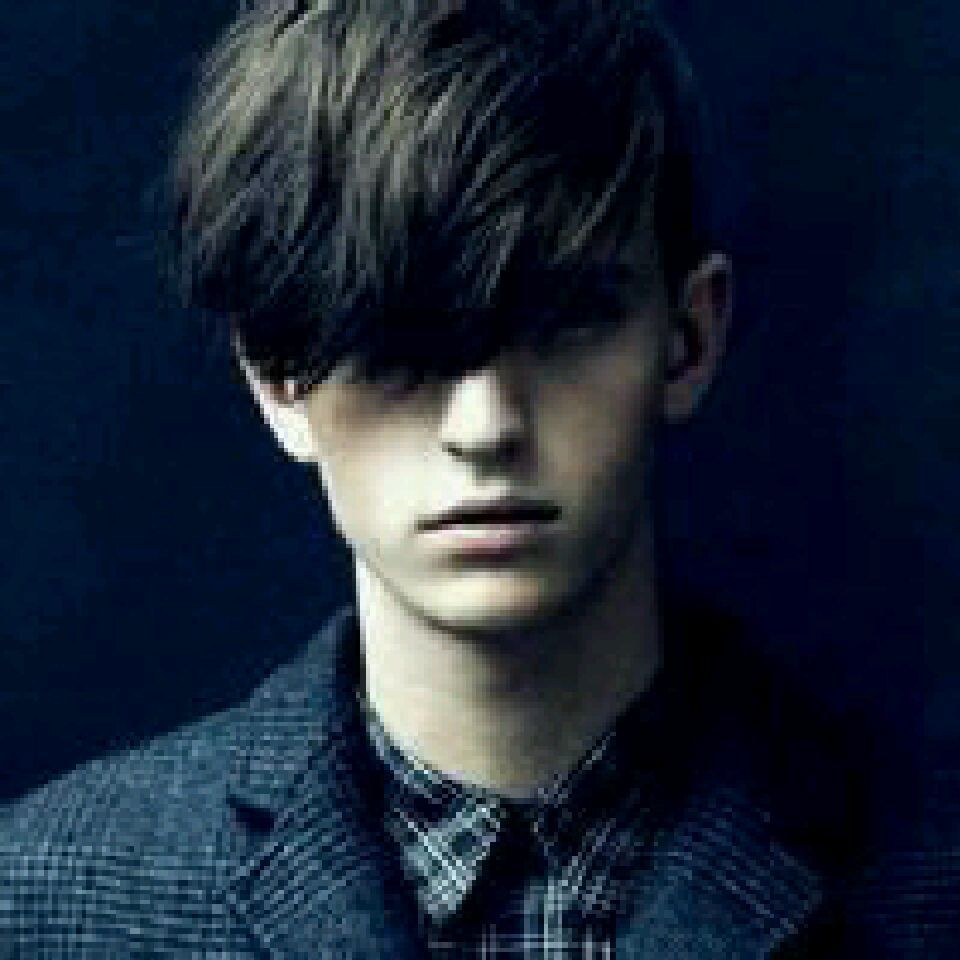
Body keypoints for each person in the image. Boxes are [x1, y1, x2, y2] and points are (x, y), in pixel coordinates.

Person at [1, 0, 955, 956]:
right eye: (399, 339)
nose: (485, 427)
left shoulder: (928, 880)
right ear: (279, 380)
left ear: (689, 339)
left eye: (564, 322)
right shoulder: (50, 905)